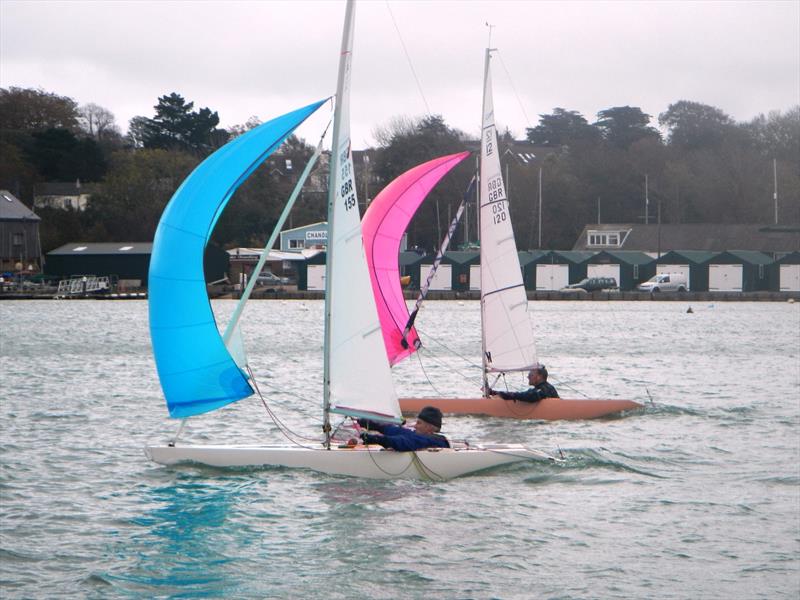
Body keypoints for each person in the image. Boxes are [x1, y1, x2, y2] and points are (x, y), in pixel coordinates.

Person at [358, 406, 450, 452]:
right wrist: (374, 425)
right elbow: (399, 431)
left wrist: (379, 439)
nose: (415, 426)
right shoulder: (419, 435)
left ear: (429, 427)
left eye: (419, 423)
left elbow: (404, 441)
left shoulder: (433, 441)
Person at [488, 364, 559, 403]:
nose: (528, 377)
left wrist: (501, 394)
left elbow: (528, 396)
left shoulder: (542, 390)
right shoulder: (548, 387)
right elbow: (525, 395)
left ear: (538, 377)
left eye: (531, 375)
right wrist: (496, 393)